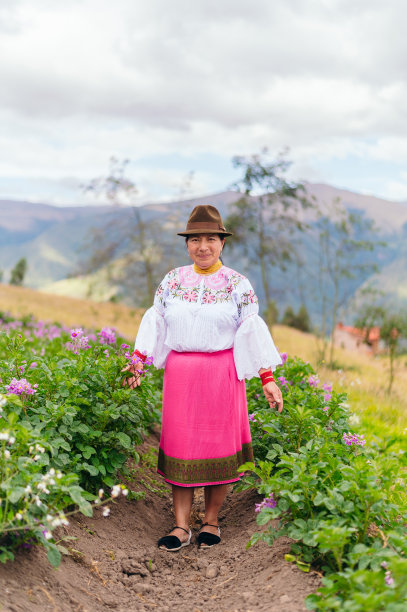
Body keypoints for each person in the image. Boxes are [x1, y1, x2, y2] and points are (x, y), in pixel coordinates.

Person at [125, 204, 283, 551]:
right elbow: (157, 322)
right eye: (195, 239)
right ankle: (181, 526)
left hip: (221, 377)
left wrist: (267, 378)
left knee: (218, 449)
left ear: (222, 243)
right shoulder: (172, 281)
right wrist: (138, 362)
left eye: (211, 238)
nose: (203, 246)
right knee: (182, 448)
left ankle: (211, 520)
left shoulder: (237, 285)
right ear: (187, 244)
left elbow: (250, 332)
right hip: (181, 377)